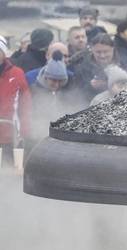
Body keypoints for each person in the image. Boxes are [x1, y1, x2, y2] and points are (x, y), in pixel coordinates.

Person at [30, 51, 81, 139]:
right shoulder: (35, 91)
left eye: (60, 81)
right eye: (53, 80)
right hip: (40, 134)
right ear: (46, 77)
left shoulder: (70, 90)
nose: (57, 84)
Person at [0, 35, 31, 168]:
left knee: (9, 173)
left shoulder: (17, 73)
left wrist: (24, 130)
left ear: (4, 53)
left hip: (10, 136)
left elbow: (25, 105)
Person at [72, 33, 117, 103]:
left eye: (106, 52)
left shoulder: (124, 65)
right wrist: (91, 87)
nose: (102, 56)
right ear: (92, 50)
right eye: (98, 52)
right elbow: (76, 95)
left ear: (112, 49)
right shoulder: (83, 69)